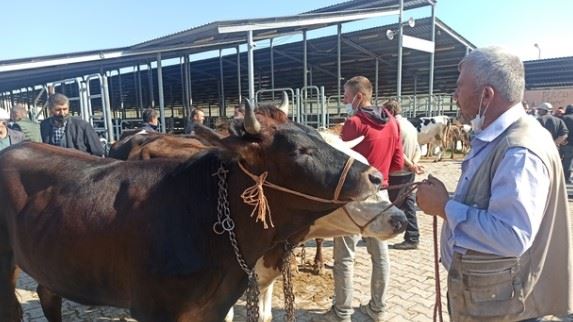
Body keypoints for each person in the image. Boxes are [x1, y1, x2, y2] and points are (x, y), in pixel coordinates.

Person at [416, 47, 572, 322]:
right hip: (488, 299)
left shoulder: (519, 150)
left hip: (503, 309)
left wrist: (444, 207)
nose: (455, 96)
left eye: (459, 87)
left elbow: (511, 235)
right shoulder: (499, 138)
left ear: (486, 96)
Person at [316, 76, 403, 322]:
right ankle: (378, 309)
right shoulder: (392, 123)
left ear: (359, 96)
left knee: (344, 256)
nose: (344, 100)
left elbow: (339, 165)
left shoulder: (354, 123)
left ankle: (341, 312)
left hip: (354, 198)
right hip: (382, 194)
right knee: (380, 254)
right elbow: (397, 163)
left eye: (345, 95)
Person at [383, 99, 424, 250]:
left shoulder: (394, 126)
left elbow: (397, 149)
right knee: (408, 203)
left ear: (390, 112)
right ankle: (412, 236)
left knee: (390, 203)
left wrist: (410, 165)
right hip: (408, 172)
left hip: (397, 172)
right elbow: (418, 149)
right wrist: (414, 164)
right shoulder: (410, 126)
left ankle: (380, 233)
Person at [40, 93, 104, 156]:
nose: (62, 113)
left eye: (65, 109)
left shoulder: (83, 126)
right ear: (50, 110)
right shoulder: (44, 126)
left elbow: (98, 152)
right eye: (58, 110)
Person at [560, 104, 573, 183]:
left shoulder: (563, 118)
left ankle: (559, 176)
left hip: (562, 142)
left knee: (560, 160)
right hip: (571, 143)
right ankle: (566, 178)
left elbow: (560, 129)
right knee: (568, 161)